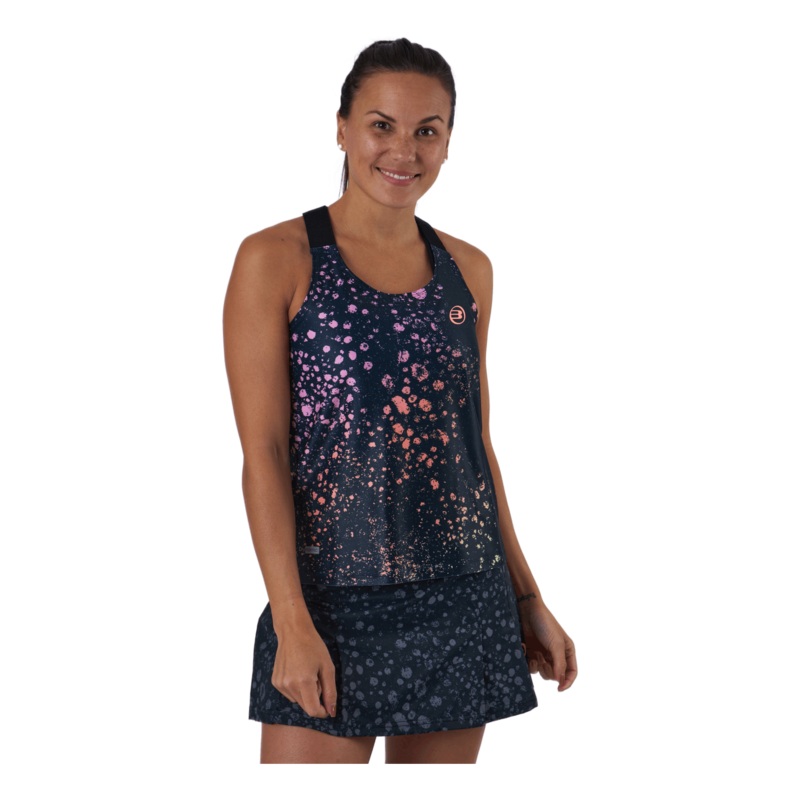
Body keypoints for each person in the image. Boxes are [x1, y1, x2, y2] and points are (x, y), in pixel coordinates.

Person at [223, 38, 577, 765]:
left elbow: (474, 448)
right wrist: (290, 617)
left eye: (427, 130)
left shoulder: (467, 270)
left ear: (448, 140)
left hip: (463, 599)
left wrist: (526, 596)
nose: (404, 150)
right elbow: (264, 453)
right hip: (329, 606)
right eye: (381, 125)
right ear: (342, 128)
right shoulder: (277, 258)